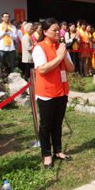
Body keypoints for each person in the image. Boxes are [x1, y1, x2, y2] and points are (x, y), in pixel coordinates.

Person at [32, 18, 75, 169]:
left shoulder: (61, 47)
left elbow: (71, 68)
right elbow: (42, 69)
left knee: (58, 123)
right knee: (46, 125)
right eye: (54, 30)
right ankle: (46, 155)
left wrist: (63, 55)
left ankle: (58, 150)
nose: (58, 32)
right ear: (45, 32)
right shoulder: (39, 48)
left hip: (61, 91)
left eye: (59, 30)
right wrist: (58, 57)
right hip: (47, 92)